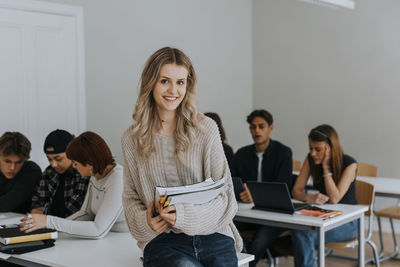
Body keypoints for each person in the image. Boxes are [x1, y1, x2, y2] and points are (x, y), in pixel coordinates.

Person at [121, 47, 242, 267]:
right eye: (164, 81)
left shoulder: (206, 129)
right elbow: (130, 200)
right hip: (164, 241)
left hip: (215, 235)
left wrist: (183, 217)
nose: (173, 90)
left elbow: (227, 199)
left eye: (180, 82)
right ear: (151, 83)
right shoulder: (131, 138)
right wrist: (147, 222)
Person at [20, 131, 127, 238]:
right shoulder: (95, 175)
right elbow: (85, 213)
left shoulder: (118, 179)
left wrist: (49, 221)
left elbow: (98, 230)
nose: (74, 167)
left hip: (124, 239)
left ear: (89, 163)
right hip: (109, 236)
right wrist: (48, 226)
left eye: (75, 163)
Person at [231, 109, 293, 266]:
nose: (256, 130)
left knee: (261, 239)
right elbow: (232, 183)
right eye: (253, 127)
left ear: (270, 128)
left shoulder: (283, 153)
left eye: (261, 126)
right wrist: (242, 193)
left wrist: (256, 195)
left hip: (274, 217)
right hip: (247, 213)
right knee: (226, 229)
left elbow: (284, 187)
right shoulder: (242, 154)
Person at [291, 124, 358, 267]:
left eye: (318, 149)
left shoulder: (350, 164)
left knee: (303, 234)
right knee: (298, 230)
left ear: (330, 148)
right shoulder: (310, 159)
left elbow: (334, 198)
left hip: (348, 222)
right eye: (310, 148)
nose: (313, 153)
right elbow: (296, 190)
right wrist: (310, 197)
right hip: (323, 217)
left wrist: (326, 167)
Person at [30, 129, 90, 217]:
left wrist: (48, 212)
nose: (53, 164)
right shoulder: (49, 172)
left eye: (58, 159)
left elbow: (75, 211)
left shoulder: (83, 172)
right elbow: (36, 204)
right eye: (49, 159)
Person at [0, 132, 41, 213]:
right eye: (7, 161)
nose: (12, 167)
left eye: (18, 162)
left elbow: (7, 203)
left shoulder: (31, 171)